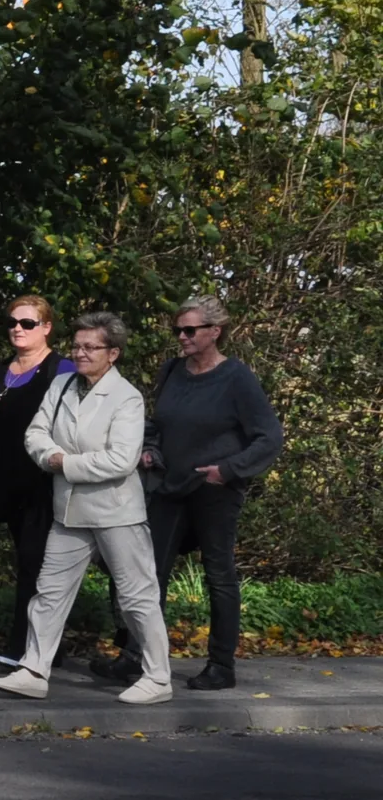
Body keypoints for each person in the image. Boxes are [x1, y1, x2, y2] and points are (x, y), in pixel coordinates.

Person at [0, 313, 175, 706]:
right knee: (49, 593)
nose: (80, 353)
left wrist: (64, 464)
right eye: (76, 345)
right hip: (69, 511)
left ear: (113, 353)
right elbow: (35, 433)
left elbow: (121, 461)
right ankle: (34, 669)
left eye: (90, 347)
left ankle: (158, 676)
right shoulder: (60, 384)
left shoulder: (126, 397)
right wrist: (52, 456)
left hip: (116, 513)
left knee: (136, 596)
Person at [139, 295, 283, 691]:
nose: (181, 337)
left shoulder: (236, 378)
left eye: (189, 330)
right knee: (149, 574)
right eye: (177, 330)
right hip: (169, 487)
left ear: (214, 332)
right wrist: (150, 451)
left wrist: (228, 470)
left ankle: (221, 665)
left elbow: (268, 436)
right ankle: (142, 658)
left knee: (218, 575)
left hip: (214, 491)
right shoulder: (171, 371)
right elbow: (156, 423)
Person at [0, 296, 73, 670]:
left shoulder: (62, 369)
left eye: (28, 323)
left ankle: (28, 648)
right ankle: (43, 647)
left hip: (45, 482)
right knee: (27, 562)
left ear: (46, 327)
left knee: (36, 563)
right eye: (12, 322)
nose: (17, 329)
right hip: (6, 482)